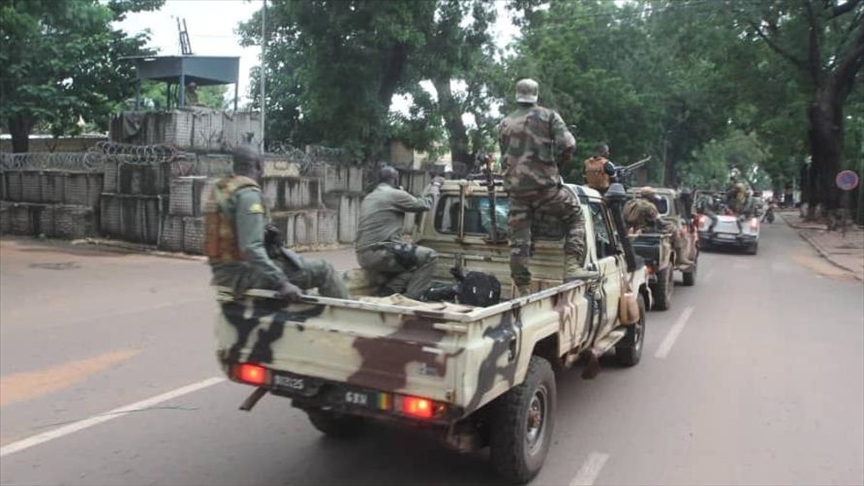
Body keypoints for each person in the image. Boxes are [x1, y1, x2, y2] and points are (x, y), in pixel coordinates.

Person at [204, 144, 347, 302]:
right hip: (243, 275)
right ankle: (351, 318)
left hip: (223, 273)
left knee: (295, 267)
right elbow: (251, 248)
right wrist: (281, 283)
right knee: (324, 270)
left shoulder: (223, 190)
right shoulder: (248, 195)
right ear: (259, 166)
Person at [498, 78, 586, 296]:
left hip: (517, 192)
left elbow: (505, 156)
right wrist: (557, 163)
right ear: (536, 94)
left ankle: (523, 289)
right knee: (575, 214)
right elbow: (568, 144)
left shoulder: (504, 123)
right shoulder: (549, 116)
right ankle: (572, 265)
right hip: (546, 190)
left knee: (519, 242)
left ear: (517, 94)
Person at [355, 166, 443, 300]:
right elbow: (424, 204)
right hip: (382, 252)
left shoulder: (370, 197)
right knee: (430, 256)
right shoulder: (395, 194)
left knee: (412, 266)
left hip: (362, 255)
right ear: (395, 180)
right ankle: (410, 300)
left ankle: (387, 292)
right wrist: (435, 185)